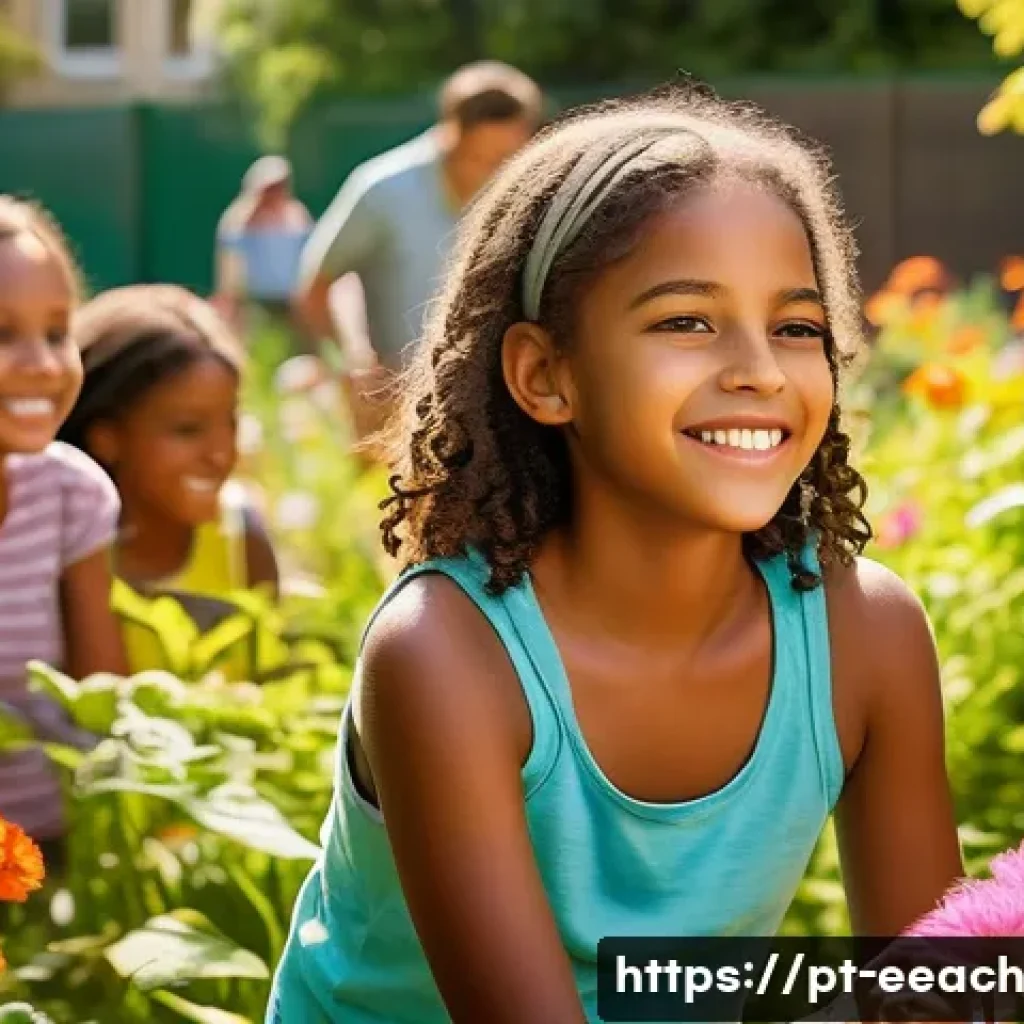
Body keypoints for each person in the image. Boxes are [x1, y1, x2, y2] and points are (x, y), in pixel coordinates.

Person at [267, 83, 965, 1023]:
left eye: (797, 327)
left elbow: (932, 997)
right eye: (685, 321)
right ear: (545, 376)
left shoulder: (866, 636)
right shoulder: (446, 656)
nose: (759, 368)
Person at [293, 61, 544, 450]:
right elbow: (318, 286)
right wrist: (350, 366)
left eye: (508, 157)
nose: (498, 173)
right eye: (483, 158)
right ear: (450, 135)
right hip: (395, 411)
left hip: (498, 405)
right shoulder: (382, 190)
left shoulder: (529, 189)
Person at [58, 284, 280, 675]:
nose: (221, 453)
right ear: (106, 439)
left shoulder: (241, 539)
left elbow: (271, 681)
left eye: (229, 422)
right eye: (188, 429)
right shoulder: (64, 548)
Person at [0, 196, 127, 857]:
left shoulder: (70, 495)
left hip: (51, 856)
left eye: (56, 333)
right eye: (3, 335)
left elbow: (97, 700)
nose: (45, 365)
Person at [214, 155, 313, 344]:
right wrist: (230, 297)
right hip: (251, 301)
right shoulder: (239, 219)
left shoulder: (296, 215)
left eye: (280, 186)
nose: (276, 192)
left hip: (291, 300)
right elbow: (229, 262)